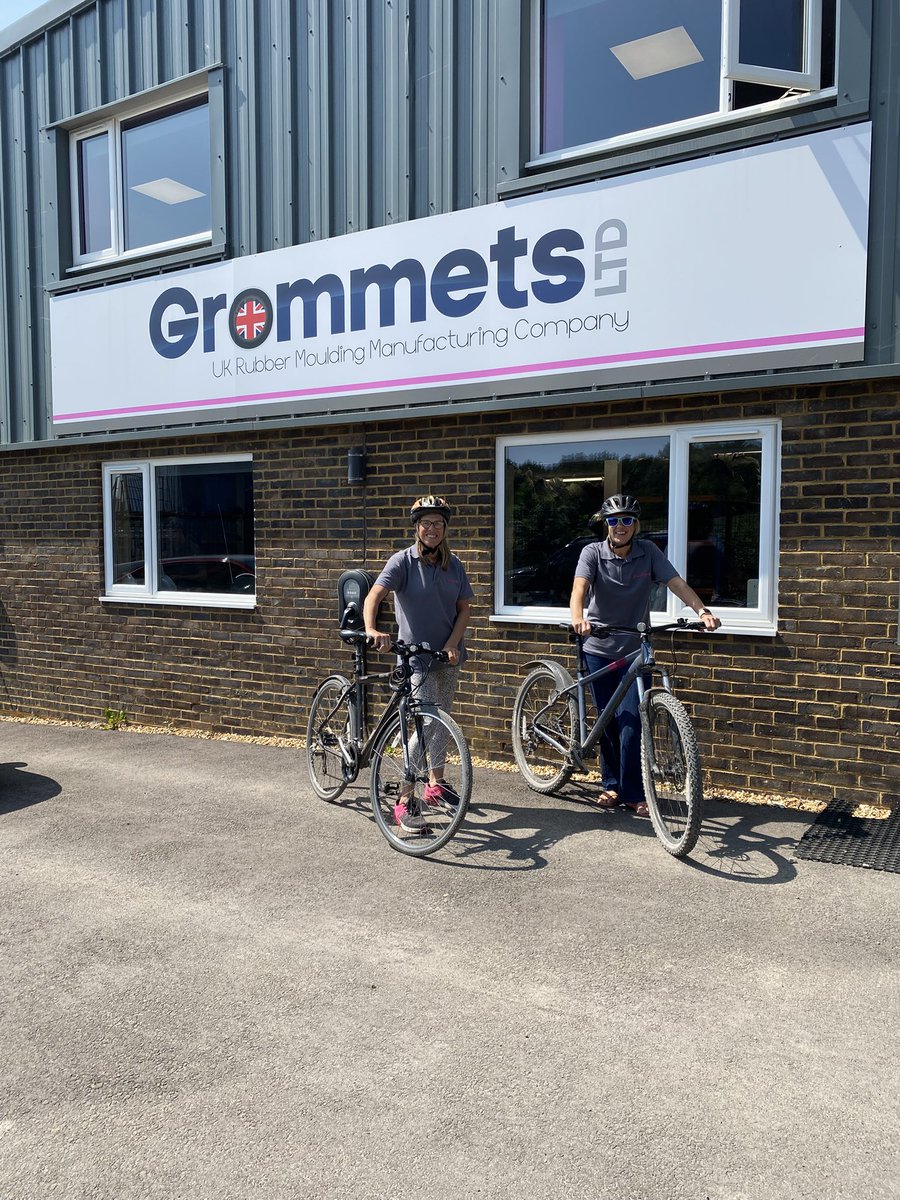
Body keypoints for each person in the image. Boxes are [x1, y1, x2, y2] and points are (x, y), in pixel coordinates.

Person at [569, 494, 720, 817]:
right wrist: (578, 617)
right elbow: (579, 588)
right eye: (613, 520)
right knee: (608, 721)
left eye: (626, 520)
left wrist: (703, 611)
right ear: (605, 525)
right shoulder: (592, 553)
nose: (620, 526)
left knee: (633, 722)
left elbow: (676, 583)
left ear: (636, 524)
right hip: (599, 646)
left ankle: (634, 792)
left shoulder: (648, 552)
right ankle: (610, 785)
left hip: (635, 646)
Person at [364, 494, 474, 832]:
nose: (432, 528)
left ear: (445, 529)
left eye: (438, 523)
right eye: (426, 523)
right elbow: (374, 596)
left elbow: (464, 608)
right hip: (415, 658)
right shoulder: (402, 562)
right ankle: (403, 800)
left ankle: (434, 785)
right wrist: (372, 629)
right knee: (427, 725)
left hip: (447, 657)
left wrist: (453, 644)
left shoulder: (454, 564)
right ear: (417, 527)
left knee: (441, 722)